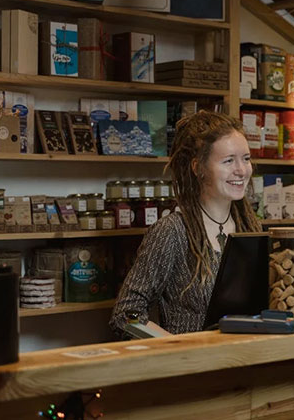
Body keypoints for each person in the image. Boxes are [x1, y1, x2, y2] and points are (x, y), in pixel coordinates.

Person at [110, 110, 261, 335]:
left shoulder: (251, 228)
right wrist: (174, 347)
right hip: (193, 365)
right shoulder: (172, 231)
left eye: (246, 159)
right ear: (198, 168)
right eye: (229, 161)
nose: (241, 170)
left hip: (243, 362)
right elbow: (126, 316)